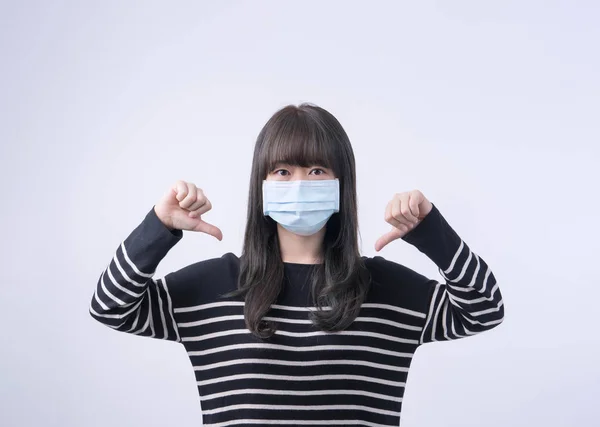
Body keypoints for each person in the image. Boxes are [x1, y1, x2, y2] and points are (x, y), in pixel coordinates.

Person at [89, 103, 504, 426]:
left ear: (343, 185)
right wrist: (158, 227)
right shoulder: (214, 287)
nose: (300, 183)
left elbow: (485, 310)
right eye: (283, 170)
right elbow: (110, 307)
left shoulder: (385, 290)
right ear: (262, 186)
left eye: (318, 169)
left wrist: (431, 230)